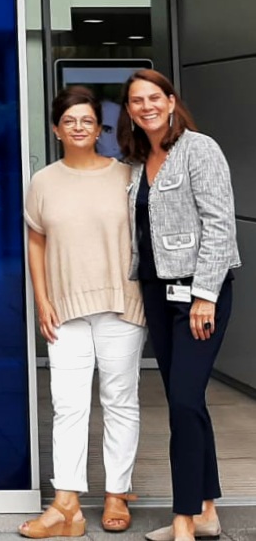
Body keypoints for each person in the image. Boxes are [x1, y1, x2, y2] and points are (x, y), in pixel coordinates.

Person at [117, 69, 240, 541]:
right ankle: (207, 510)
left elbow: (220, 224)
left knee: (184, 402)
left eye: (155, 97)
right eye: (136, 101)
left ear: (171, 102)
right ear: (129, 111)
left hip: (198, 294)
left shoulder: (199, 149)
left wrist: (205, 294)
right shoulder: (137, 160)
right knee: (185, 402)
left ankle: (184, 521)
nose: (146, 106)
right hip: (157, 292)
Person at [19, 86, 146, 538]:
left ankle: (116, 494)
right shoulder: (43, 182)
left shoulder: (127, 176)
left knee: (120, 400)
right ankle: (67, 505)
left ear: (98, 129)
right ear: (56, 129)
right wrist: (42, 299)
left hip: (121, 304)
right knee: (68, 405)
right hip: (64, 308)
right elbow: (36, 241)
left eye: (86, 121)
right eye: (69, 121)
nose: (78, 127)